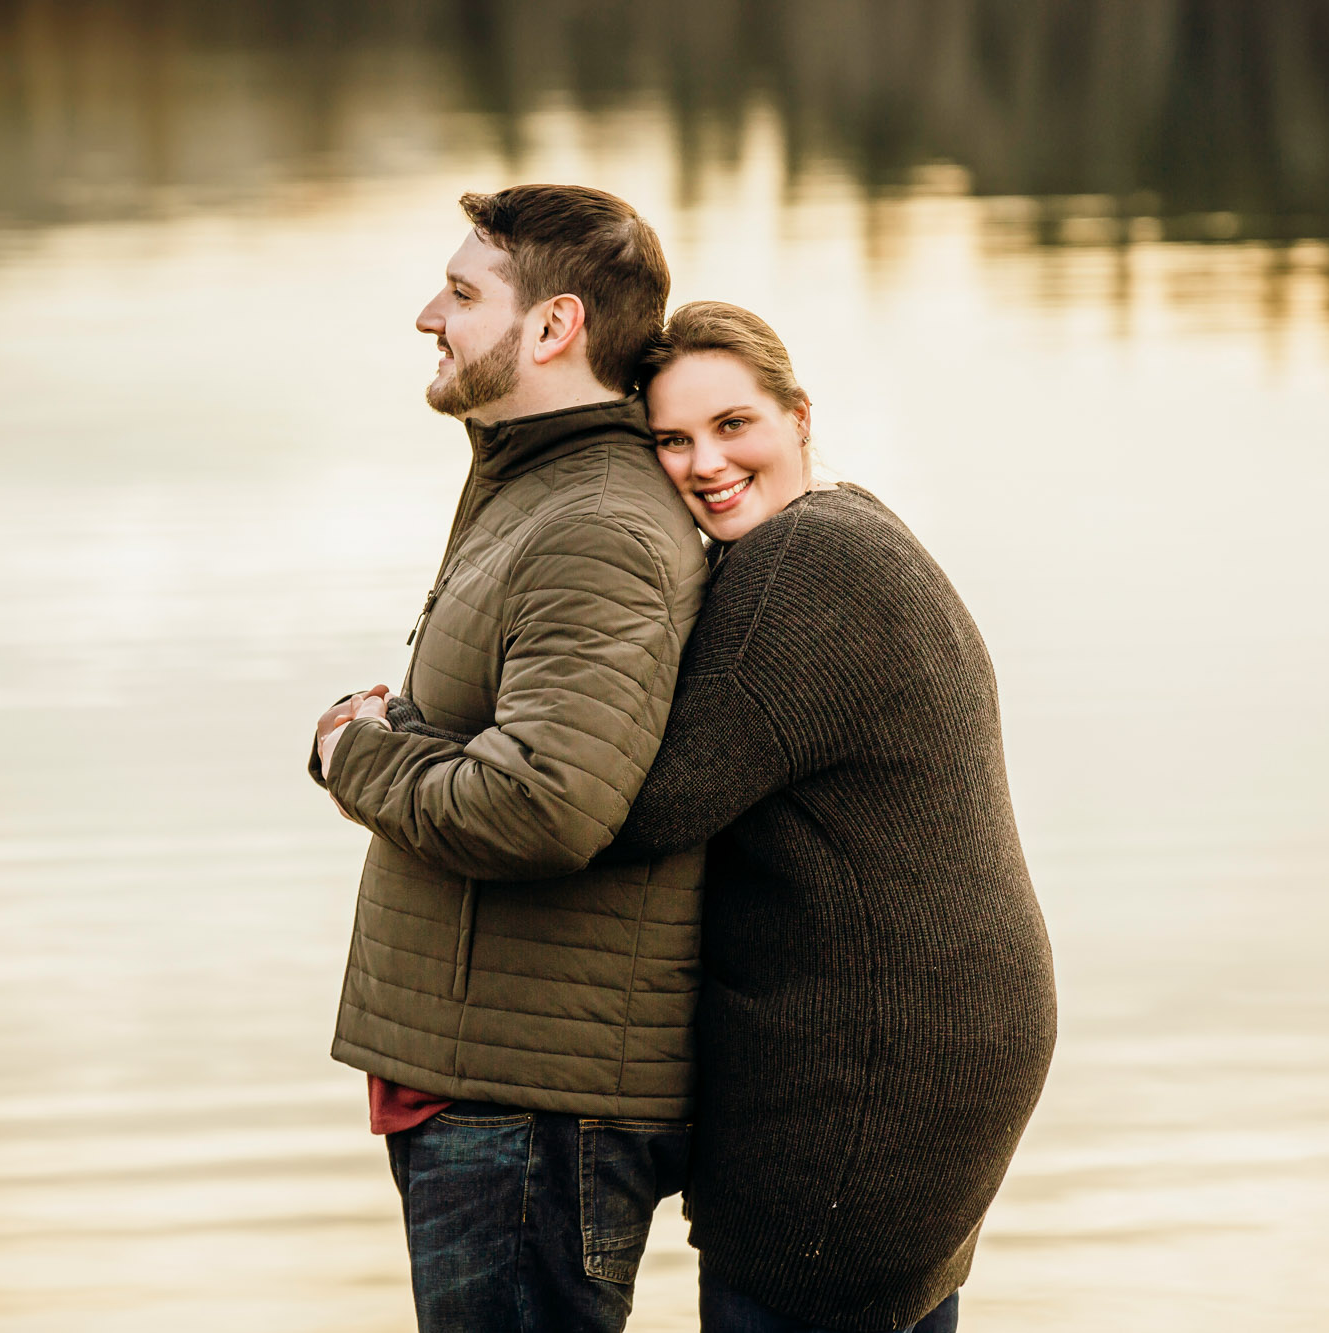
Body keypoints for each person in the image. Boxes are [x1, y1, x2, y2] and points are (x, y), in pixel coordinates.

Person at [353, 300, 1059, 1332]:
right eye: (670, 440)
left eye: (733, 425)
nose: (702, 463)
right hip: (929, 1061)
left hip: (863, 1084)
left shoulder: (802, 570)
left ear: (798, 417)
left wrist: (373, 745)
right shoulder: (850, 526)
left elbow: (617, 810)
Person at [307, 186, 711, 1333]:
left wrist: (351, 753)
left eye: (463, 292)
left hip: (527, 1110)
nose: (427, 314)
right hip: (488, 1087)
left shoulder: (595, 529)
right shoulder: (532, 486)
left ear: (552, 328)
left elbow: (541, 806)